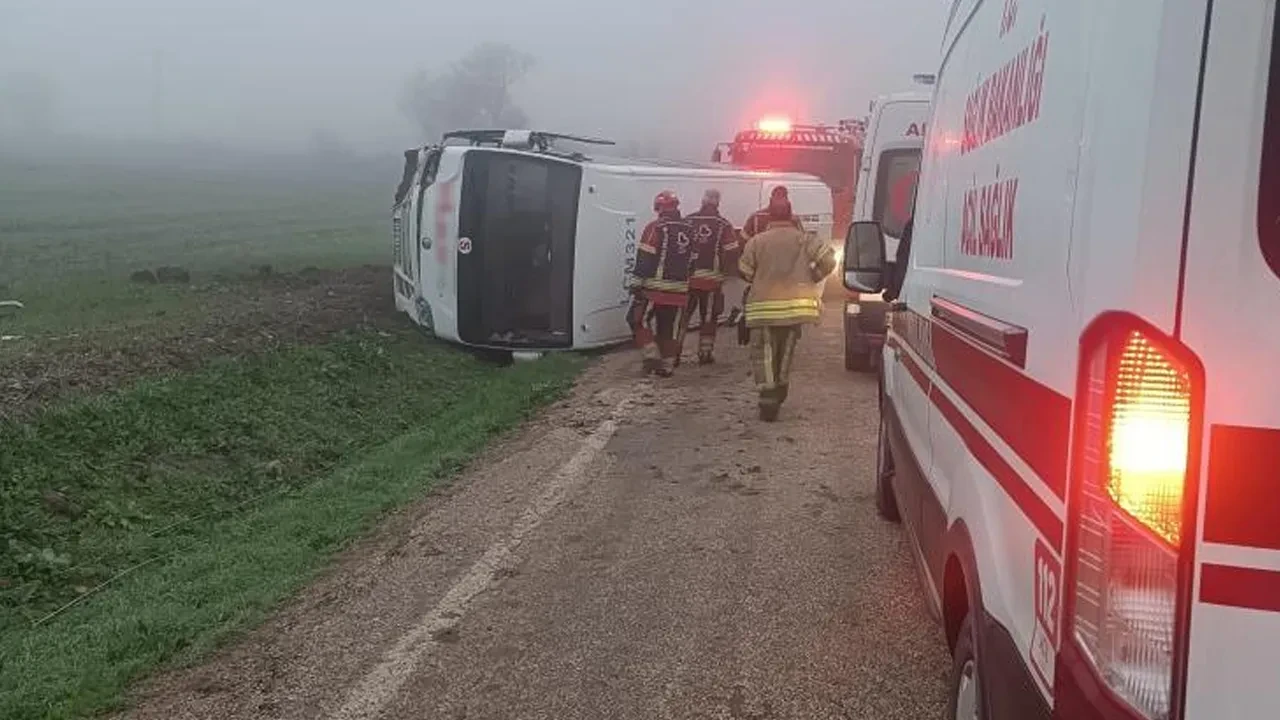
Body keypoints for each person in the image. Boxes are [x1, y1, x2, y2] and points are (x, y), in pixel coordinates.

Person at [738, 190, 837, 421]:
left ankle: (767, 397)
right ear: (792, 215)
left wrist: (759, 279)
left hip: (763, 308)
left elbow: (744, 271)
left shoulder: (757, 242)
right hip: (795, 308)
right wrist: (814, 275)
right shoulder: (805, 239)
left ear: (769, 216)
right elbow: (829, 261)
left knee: (763, 352)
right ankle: (781, 388)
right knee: (786, 350)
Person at [627, 190, 696, 377]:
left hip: (654, 289)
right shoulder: (690, 229)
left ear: (659, 208)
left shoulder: (656, 228)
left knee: (636, 319)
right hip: (680, 291)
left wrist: (636, 283)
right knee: (668, 328)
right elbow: (694, 260)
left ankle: (651, 356)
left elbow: (645, 257)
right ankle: (666, 366)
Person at [681, 189, 741, 364]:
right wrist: (726, 270)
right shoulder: (724, 225)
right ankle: (705, 354)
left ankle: (674, 353)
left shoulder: (688, 221)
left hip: (688, 281)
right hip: (711, 281)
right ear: (718, 203)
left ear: (702, 201)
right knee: (708, 318)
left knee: (682, 317)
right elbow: (732, 251)